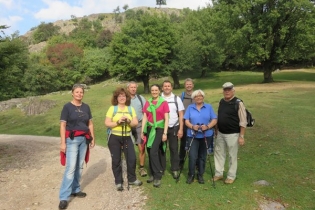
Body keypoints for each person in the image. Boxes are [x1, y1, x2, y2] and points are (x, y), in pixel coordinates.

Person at [58, 84, 95, 210]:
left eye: (81, 92)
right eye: (77, 92)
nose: (79, 94)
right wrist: (63, 143)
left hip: (84, 139)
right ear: (72, 93)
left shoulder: (86, 107)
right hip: (72, 140)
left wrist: (92, 138)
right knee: (71, 167)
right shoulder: (67, 107)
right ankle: (64, 197)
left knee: (79, 165)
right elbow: (63, 126)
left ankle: (76, 189)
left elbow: (90, 123)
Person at [105, 87, 142, 191]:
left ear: (127, 97)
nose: (122, 98)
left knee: (132, 158)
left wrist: (128, 120)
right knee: (116, 159)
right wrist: (117, 122)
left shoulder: (130, 109)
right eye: (119, 96)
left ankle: (132, 179)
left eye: (124, 96)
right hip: (114, 137)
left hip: (127, 136)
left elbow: (135, 123)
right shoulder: (113, 108)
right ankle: (118, 181)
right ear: (116, 98)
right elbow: (107, 123)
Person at [214, 82, 246, 184]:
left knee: (232, 156)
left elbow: (243, 121)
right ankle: (218, 174)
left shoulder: (238, 103)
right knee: (219, 153)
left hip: (233, 134)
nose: (227, 91)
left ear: (233, 91)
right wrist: (216, 129)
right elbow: (219, 116)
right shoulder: (221, 101)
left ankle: (231, 176)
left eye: (229, 90)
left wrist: (241, 136)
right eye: (225, 90)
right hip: (221, 133)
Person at [184, 89, 217, 184]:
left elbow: (214, 119)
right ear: (194, 98)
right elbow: (186, 120)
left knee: (202, 156)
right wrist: (192, 126)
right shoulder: (190, 107)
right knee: (192, 156)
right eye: (196, 96)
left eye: (200, 96)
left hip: (206, 135)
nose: (198, 97)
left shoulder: (209, 107)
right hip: (193, 135)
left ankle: (200, 175)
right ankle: (191, 174)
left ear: (203, 97)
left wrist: (207, 126)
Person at [141, 84, 169, 188]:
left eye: (156, 90)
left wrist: (165, 133)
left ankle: (158, 175)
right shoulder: (148, 102)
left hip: (159, 129)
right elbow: (145, 117)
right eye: (152, 90)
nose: (154, 92)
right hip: (149, 129)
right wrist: (142, 131)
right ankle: (152, 173)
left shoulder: (164, 102)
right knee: (149, 151)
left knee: (153, 151)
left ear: (159, 90)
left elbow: (167, 118)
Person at [161, 80, 184, 179]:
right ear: (162, 88)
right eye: (165, 86)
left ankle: (174, 169)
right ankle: (161, 168)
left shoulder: (177, 99)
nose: (167, 88)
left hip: (174, 126)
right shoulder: (159, 98)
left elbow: (181, 115)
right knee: (162, 148)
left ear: (171, 88)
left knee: (174, 149)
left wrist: (181, 129)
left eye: (168, 86)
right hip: (161, 127)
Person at [126, 81, 147, 177]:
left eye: (135, 87)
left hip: (139, 125)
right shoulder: (124, 99)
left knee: (141, 147)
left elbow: (146, 112)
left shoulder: (141, 98)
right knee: (127, 147)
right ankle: (130, 167)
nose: (133, 89)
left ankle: (142, 168)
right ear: (128, 88)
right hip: (127, 126)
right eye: (131, 87)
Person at [179, 78, 195, 169]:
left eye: (190, 84)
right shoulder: (181, 95)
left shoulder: (197, 95)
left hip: (196, 124)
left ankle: (194, 162)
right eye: (187, 84)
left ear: (193, 85)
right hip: (185, 123)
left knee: (195, 143)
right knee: (183, 143)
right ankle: (181, 161)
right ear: (185, 86)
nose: (189, 86)